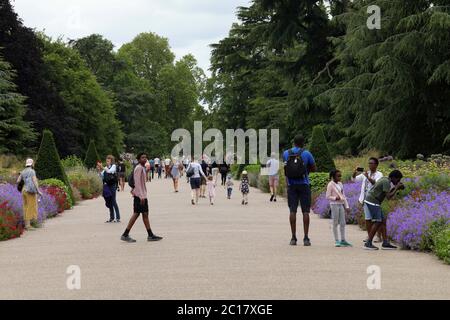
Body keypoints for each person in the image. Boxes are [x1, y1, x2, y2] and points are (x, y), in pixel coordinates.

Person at [121, 153, 163, 243]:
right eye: (142, 157)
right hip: (140, 196)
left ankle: (150, 235)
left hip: (142, 195)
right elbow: (137, 183)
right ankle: (125, 234)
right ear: (139, 159)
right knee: (136, 214)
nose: (144, 159)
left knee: (145, 214)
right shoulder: (139, 168)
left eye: (145, 157)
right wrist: (141, 196)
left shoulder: (142, 168)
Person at [283, 134, 317, 247]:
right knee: (305, 212)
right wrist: (305, 171)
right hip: (304, 184)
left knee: (292, 211)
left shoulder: (286, 153)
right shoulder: (306, 153)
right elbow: (314, 168)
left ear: (293, 142)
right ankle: (306, 238)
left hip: (291, 185)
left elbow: (285, 170)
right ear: (303, 142)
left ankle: (293, 238)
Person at [363, 170, 404, 250]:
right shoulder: (386, 182)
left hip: (372, 200)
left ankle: (385, 243)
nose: (398, 181)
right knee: (378, 221)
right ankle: (368, 242)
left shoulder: (385, 180)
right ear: (393, 177)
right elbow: (388, 197)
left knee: (383, 221)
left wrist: (396, 188)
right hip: (373, 201)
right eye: (398, 179)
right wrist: (396, 188)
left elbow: (387, 193)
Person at [352, 157, 384, 243]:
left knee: (377, 219)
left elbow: (376, 184)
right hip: (365, 199)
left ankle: (378, 236)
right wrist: (355, 172)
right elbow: (354, 180)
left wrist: (368, 177)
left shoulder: (379, 174)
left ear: (376, 165)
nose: (370, 165)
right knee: (368, 219)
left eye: (372, 163)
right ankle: (370, 236)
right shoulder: (365, 173)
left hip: (374, 199)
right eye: (369, 163)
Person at [326, 170, 352, 247]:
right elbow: (327, 196)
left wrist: (347, 206)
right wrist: (335, 198)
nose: (340, 177)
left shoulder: (340, 184)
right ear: (333, 176)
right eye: (338, 176)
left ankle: (343, 240)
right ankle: (336, 240)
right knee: (335, 222)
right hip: (334, 205)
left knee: (343, 222)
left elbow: (343, 195)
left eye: (340, 176)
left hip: (341, 204)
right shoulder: (330, 184)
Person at [17, 159, 43, 230]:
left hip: (24, 191)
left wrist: (24, 178)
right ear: (32, 164)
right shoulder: (32, 171)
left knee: (25, 207)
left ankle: (28, 224)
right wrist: (38, 191)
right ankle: (28, 226)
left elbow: (18, 181)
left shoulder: (23, 171)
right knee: (30, 207)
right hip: (30, 191)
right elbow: (35, 181)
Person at [101, 155, 121, 223]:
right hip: (107, 186)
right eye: (106, 161)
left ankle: (117, 217)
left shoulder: (113, 166)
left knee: (113, 201)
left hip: (112, 185)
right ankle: (111, 217)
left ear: (111, 161)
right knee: (109, 201)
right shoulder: (106, 167)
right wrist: (100, 170)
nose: (107, 162)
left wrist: (103, 168)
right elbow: (102, 175)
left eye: (108, 161)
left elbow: (109, 171)